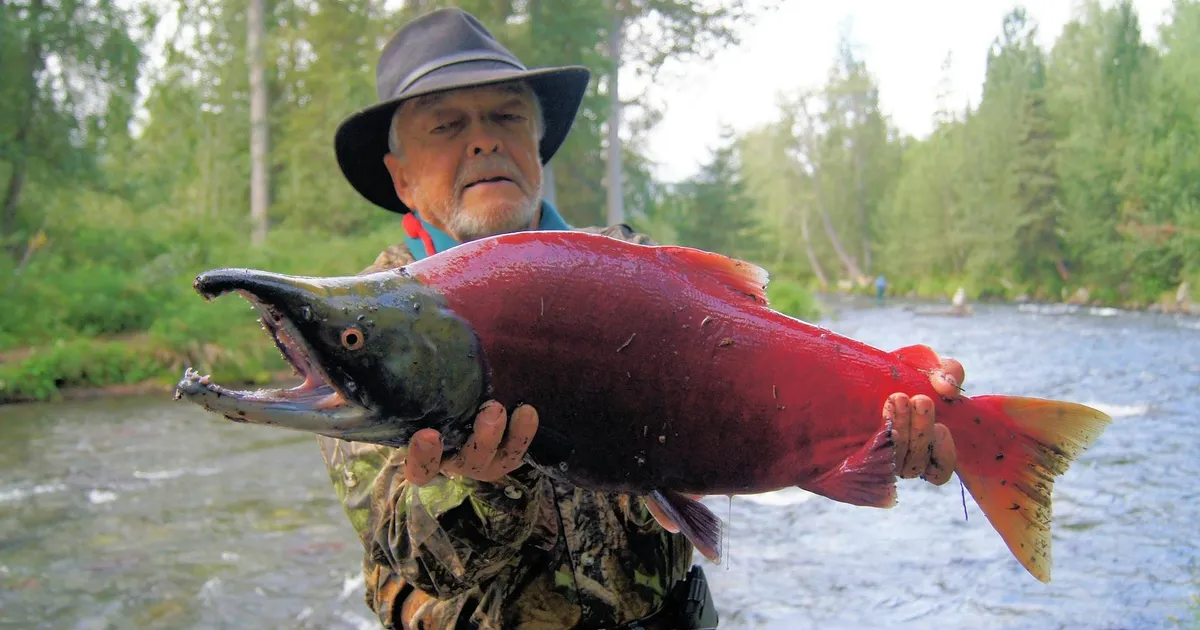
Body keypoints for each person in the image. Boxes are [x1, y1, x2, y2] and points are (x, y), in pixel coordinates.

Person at [321, 8, 967, 629]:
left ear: (536, 143)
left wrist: (891, 420)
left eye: (507, 115)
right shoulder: (363, 333)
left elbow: (769, 394)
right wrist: (485, 484)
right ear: (401, 179)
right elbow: (410, 553)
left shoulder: (642, 273)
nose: (484, 139)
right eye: (445, 125)